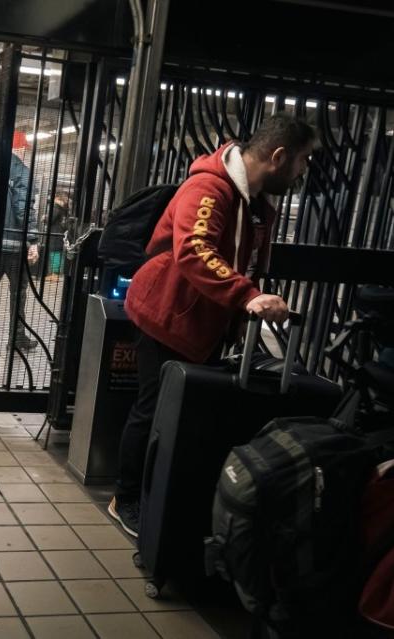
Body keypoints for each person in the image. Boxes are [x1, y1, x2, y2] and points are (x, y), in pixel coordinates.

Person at [107, 113, 315, 538]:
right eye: (303, 160)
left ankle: (160, 496)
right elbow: (194, 250)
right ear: (278, 156)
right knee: (153, 410)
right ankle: (124, 497)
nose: (303, 172)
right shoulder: (209, 186)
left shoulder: (254, 202)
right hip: (166, 314)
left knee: (179, 413)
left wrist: (237, 312)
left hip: (201, 322)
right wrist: (247, 296)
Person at [2, 135, 39, 350]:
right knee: (18, 294)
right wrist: (32, 239)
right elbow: (23, 208)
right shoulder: (22, 172)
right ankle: (16, 337)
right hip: (15, 246)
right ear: (20, 149)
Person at [43, 191, 72, 281]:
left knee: (54, 252)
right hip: (60, 234)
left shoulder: (56, 207)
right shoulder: (65, 208)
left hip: (54, 233)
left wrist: (44, 218)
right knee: (57, 253)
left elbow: (51, 218)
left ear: (57, 197)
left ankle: (54, 274)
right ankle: (55, 273)